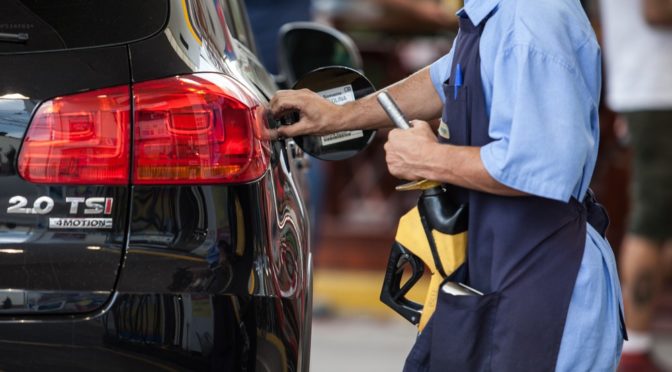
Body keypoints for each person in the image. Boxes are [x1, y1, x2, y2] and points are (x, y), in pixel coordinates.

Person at [272, 0, 625, 370]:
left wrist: (429, 158)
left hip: (547, 277)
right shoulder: (494, 13)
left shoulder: (530, 17)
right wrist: (341, 116)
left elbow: (541, 163)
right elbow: (447, 78)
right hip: (501, 266)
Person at [600, 1, 672, 370]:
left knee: (660, 220)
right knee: (653, 219)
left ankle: (637, 345)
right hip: (656, 92)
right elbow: (657, 11)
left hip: (650, 87)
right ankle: (635, 348)